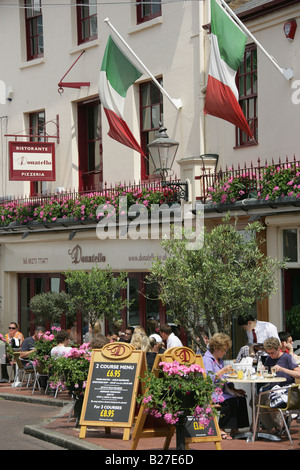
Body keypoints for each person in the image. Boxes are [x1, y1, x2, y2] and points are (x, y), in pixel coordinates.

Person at [203, 332, 249, 440]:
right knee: (230, 401)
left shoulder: (220, 360)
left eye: (225, 350)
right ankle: (221, 428)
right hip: (212, 391)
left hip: (222, 390)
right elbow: (207, 379)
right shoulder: (207, 360)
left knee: (241, 398)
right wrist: (222, 371)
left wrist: (234, 389)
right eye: (223, 350)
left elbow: (226, 378)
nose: (224, 353)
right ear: (215, 348)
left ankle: (235, 428)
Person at [257, 337, 300, 432]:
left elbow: (299, 374)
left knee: (270, 402)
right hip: (272, 389)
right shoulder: (269, 358)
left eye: (273, 352)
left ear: (278, 349)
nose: (271, 355)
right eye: (268, 353)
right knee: (255, 401)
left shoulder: (288, 357)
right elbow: (268, 373)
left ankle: (280, 426)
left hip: (286, 390)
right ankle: (272, 426)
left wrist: (282, 369)